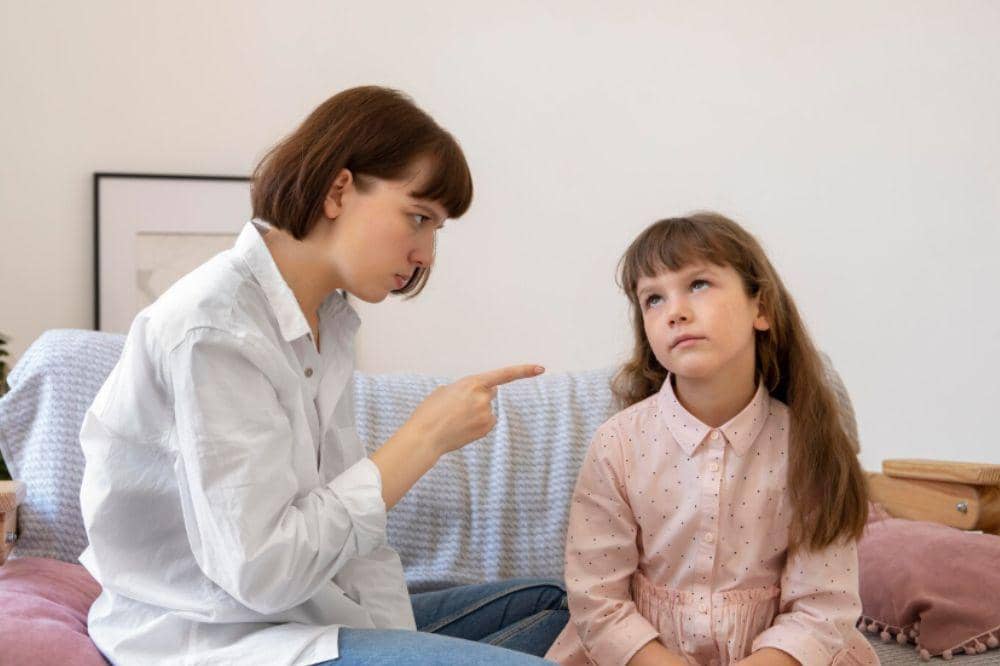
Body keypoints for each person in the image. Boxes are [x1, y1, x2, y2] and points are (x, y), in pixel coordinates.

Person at [79, 86, 566, 666]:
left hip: (307, 613)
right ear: (339, 190)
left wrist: (401, 643)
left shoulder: (325, 323)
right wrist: (423, 438)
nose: (426, 255)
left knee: (551, 606)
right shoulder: (215, 331)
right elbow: (260, 573)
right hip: (218, 636)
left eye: (435, 229)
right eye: (418, 218)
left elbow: (352, 552)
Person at [546, 213, 878, 665]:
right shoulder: (617, 445)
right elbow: (597, 599)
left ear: (760, 309)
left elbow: (823, 606)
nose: (675, 311)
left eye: (698, 284)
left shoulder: (808, 445)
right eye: (653, 299)